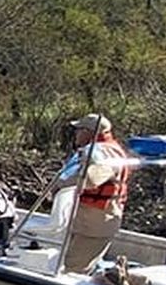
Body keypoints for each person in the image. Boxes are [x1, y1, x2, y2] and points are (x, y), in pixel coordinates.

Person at [52, 113, 132, 273]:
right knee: (68, 263)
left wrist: (64, 183)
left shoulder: (100, 152)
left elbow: (92, 179)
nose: (76, 134)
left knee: (73, 270)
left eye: (79, 129)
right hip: (90, 220)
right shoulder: (107, 149)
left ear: (89, 132)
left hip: (94, 223)